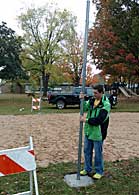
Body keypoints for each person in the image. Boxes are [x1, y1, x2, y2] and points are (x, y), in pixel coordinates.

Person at [80, 84, 111, 180]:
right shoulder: (92, 100)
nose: (94, 95)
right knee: (87, 151)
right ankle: (87, 169)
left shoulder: (106, 104)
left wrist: (86, 120)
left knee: (98, 153)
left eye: (96, 93)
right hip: (89, 131)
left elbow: (99, 120)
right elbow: (84, 108)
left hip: (98, 133)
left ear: (102, 92)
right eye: (93, 92)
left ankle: (99, 171)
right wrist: (82, 100)